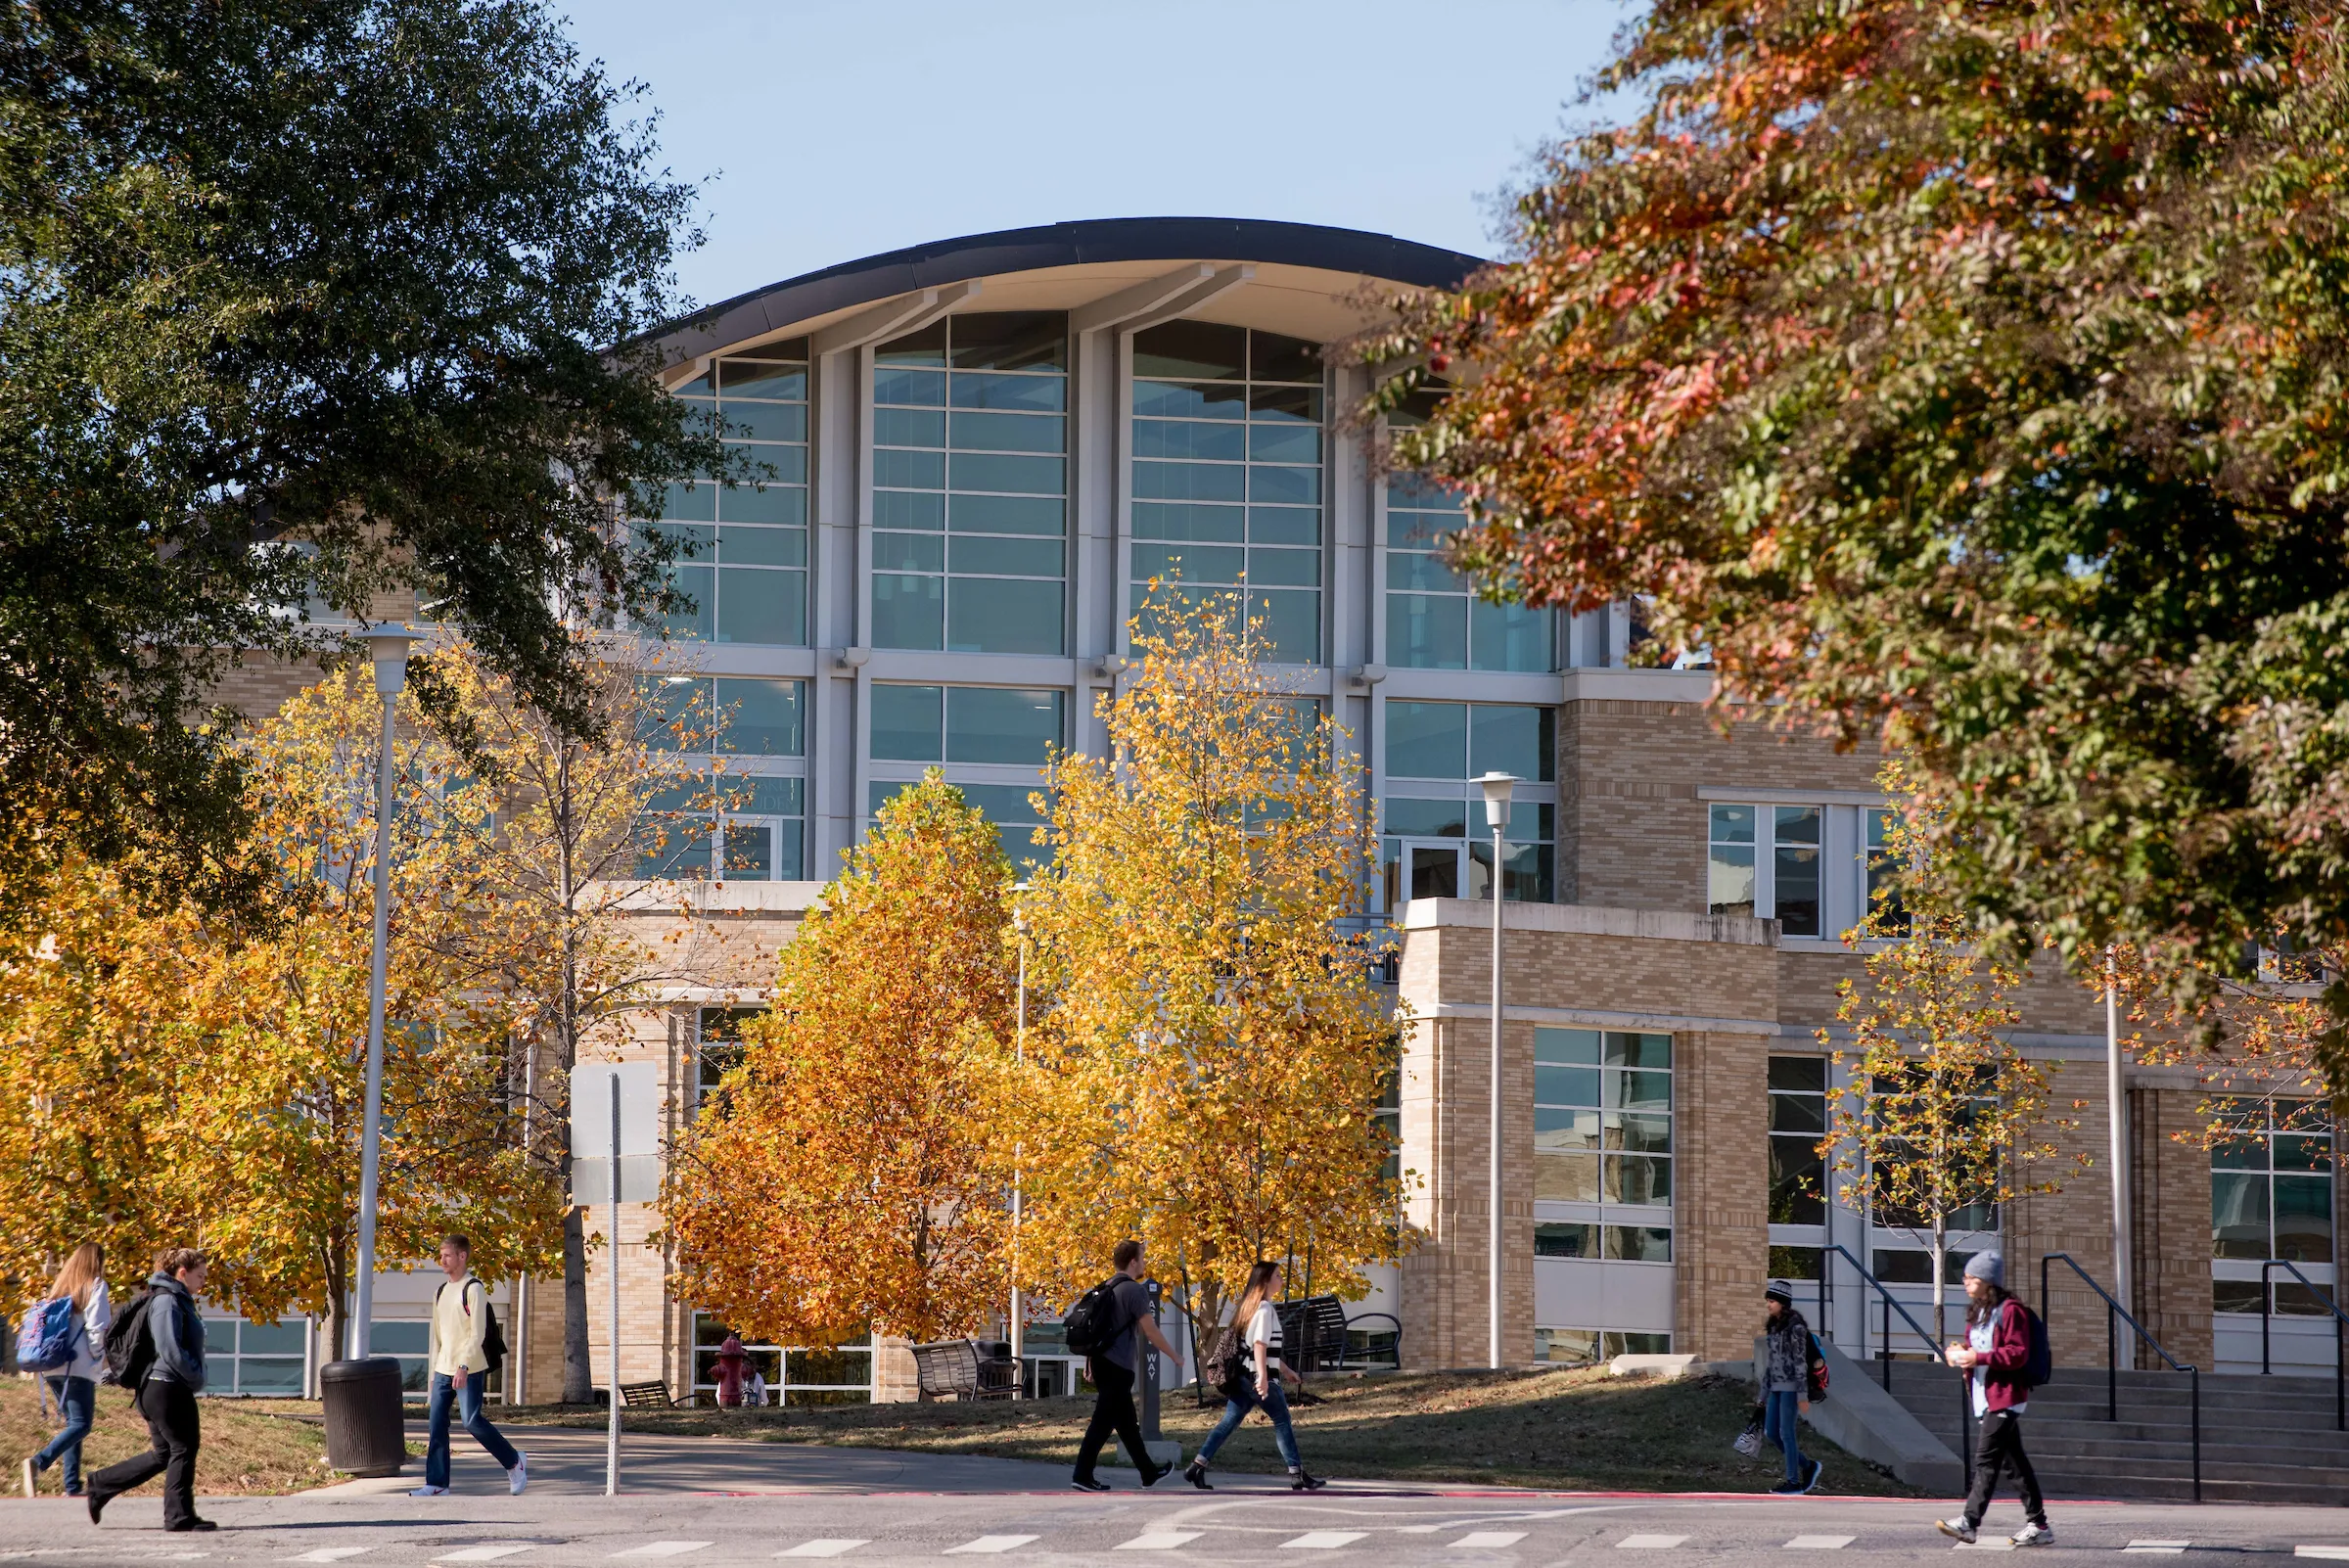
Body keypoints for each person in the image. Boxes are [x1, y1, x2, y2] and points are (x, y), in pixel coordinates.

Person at [86, 1247, 210, 1532]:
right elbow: (170, 1349)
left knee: (165, 1453)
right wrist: (196, 1377)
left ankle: (101, 1484)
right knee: (183, 1448)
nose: (204, 1281)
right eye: (200, 1275)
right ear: (182, 1273)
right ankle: (179, 1516)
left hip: (160, 1387)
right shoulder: (167, 1301)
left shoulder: (176, 1299)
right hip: (166, 1386)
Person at [1938, 1253, 2053, 1546]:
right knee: (2015, 1464)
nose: (1965, 1282)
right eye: (1965, 1277)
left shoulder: (2011, 1311)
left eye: (1971, 1278)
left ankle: (1969, 1522)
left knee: (1986, 1460)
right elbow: (1977, 1348)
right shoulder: (1978, 1312)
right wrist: (1961, 1353)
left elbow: (2017, 1353)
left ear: (1988, 1281)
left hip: (2006, 1395)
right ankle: (2039, 1525)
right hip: (1984, 1395)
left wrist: (1977, 1357)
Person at [1182, 1260, 1323, 1492]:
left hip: (1243, 1377)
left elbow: (1259, 1347)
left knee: (1229, 1422)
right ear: (1266, 1281)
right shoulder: (1265, 1309)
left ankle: (1197, 1466)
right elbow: (1259, 1346)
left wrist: (1286, 1371)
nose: (1282, 1280)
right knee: (1282, 1419)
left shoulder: (1251, 1307)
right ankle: (1297, 1474)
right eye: (1278, 1276)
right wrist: (1263, 1378)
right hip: (1253, 1377)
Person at [410, 1235, 527, 1498]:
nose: (442, 1260)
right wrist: (434, 1372)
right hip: (444, 1369)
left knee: (471, 1421)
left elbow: (478, 1334)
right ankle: (437, 1483)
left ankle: (513, 1462)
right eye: (441, 1255)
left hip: (470, 1367)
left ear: (462, 1257)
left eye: (447, 1255)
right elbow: (437, 1337)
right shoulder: (439, 1292)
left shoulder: (473, 1288)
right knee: (436, 1424)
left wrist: (463, 1365)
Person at [1071, 1237, 1182, 1492]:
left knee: (1127, 1424)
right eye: (1142, 1258)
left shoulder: (1106, 1286)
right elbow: (1150, 1330)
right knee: (1102, 1422)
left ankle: (1148, 1473)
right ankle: (1082, 1474)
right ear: (1133, 1262)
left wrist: (1090, 1363)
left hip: (1102, 1363)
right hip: (1118, 1366)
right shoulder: (1134, 1290)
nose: (1144, 1263)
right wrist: (1175, 1356)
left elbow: (1095, 1330)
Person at [23, 1242, 112, 1499]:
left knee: (74, 1424)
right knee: (82, 1424)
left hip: (51, 1365)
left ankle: (72, 1485)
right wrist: (98, 1356)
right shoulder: (95, 1285)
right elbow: (98, 1326)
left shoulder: (59, 1289)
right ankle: (39, 1462)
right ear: (97, 1262)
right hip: (78, 1364)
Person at [1761, 1280, 1823, 1495]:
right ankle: (1808, 1466)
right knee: (1771, 1432)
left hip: (1791, 1387)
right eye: (1768, 1301)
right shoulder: (1773, 1327)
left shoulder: (1796, 1328)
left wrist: (1802, 1395)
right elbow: (1771, 1363)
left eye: (1772, 1301)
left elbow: (1800, 1361)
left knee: (1787, 1433)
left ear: (1783, 1303)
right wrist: (1763, 1393)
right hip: (1776, 1387)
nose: (1769, 1305)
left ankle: (1793, 1482)